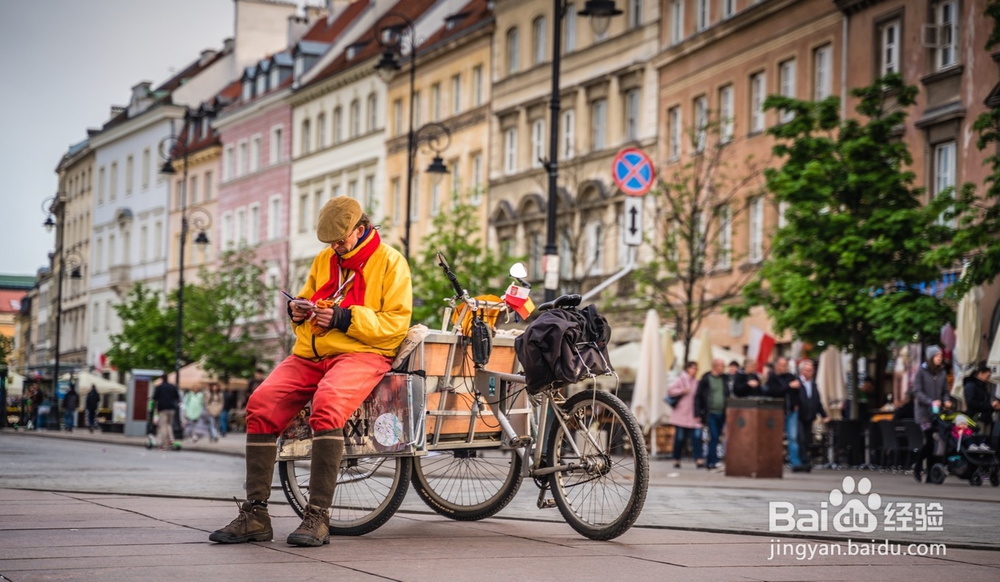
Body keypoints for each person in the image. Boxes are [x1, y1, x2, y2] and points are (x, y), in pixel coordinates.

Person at [210, 197, 412, 547]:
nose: (335, 247)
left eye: (340, 240)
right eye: (330, 242)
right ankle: (255, 514)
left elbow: (396, 325)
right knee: (260, 403)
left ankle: (317, 516)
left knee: (328, 404)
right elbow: (308, 299)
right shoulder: (325, 260)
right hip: (311, 353)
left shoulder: (392, 262)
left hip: (363, 353)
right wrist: (298, 311)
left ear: (360, 230)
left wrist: (343, 317)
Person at [911, 345, 952, 483]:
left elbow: (945, 391)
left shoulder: (942, 373)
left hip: (937, 414)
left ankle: (930, 475)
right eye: (937, 356)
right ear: (930, 357)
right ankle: (917, 466)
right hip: (924, 414)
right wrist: (930, 401)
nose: (940, 358)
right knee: (929, 440)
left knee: (936, 443)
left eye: (940, 356)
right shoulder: (921, 371)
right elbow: (917, 390)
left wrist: (946, 401)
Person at [766, 357, 805, 470]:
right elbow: (773, 392)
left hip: (791, 411)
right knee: (776, 437)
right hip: (777, 412)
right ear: (776, 366)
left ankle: (795, 462)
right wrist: (789, 386)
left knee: (792, 437)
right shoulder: (772, 378)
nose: (784, 367)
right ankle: (775, 461)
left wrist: (796, 403)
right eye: (782, 365)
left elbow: (797, 391)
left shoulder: (790, 376)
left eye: (785, 365)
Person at [793, 359, 828, 472]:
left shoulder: (813, 384)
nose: (810, 372)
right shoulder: (797, 382)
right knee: (801, 438)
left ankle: (804, 460)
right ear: (802, 371)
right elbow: (792, 397)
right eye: (808, 370)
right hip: (799, 415)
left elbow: (817, 401)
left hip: (810, 416)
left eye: (811, 370)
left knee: (807, 439)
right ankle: (804, 461)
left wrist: (824, 415)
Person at [667, 361, 703, 469]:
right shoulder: (681, 379)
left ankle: (698, 459)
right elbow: (670, 390)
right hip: (681, 414)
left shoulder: (697, 382)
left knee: (697, 437)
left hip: (693, 415)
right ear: (688, 369)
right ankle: (676, 459)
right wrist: (682, 390)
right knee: (680, 438)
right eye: (693, 368)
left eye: (696, 368)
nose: (695, 370)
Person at [695, 358, 730, 469]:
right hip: (710, 413)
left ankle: (710, 461)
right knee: (714, 436)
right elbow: (698, 397)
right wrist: (698, 414)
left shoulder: (724, 378)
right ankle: (713, 461)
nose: (723, 368)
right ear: (715, 366)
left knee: (717, 437)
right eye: (721, 366)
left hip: (722, 413)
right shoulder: (706, 379)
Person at [963, 364, 998, 436]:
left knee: (985, 442)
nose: (988, 379)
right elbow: (971, 402)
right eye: (987, 376)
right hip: (976, 418)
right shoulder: (971, 385)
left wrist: (993, 407)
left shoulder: (983, 386)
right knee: (978, 439)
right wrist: (990, 405)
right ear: (981, 373)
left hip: (985, 417)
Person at [150, 374, 180, 450]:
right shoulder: (172, 387)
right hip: (172, 408)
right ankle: (172, 441)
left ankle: (164, 444)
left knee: (163, 426)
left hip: (162, 408)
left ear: (161, 379)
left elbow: (155, 398)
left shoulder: (159, 387)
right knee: (169, 425)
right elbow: (177, 397)